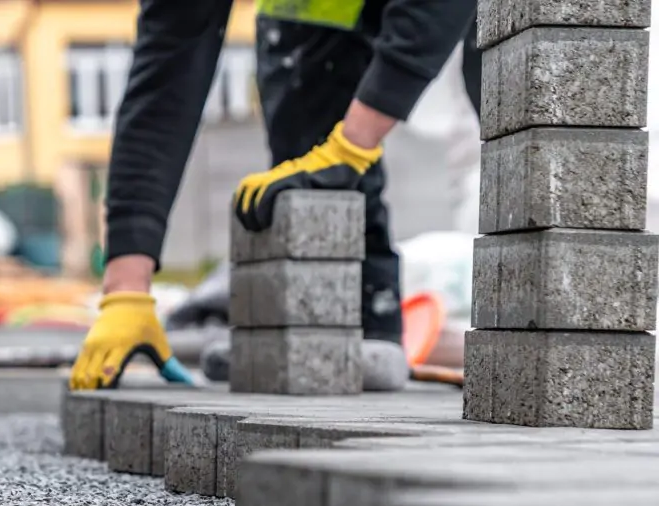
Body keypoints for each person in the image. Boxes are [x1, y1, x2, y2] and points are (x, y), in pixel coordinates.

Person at [69, 0, 479, 391]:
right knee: (316, 187)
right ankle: (361, 325)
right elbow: (167, 68)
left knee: (516, 64)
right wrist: (126, 289)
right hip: (314, 18)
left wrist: (353, 144)